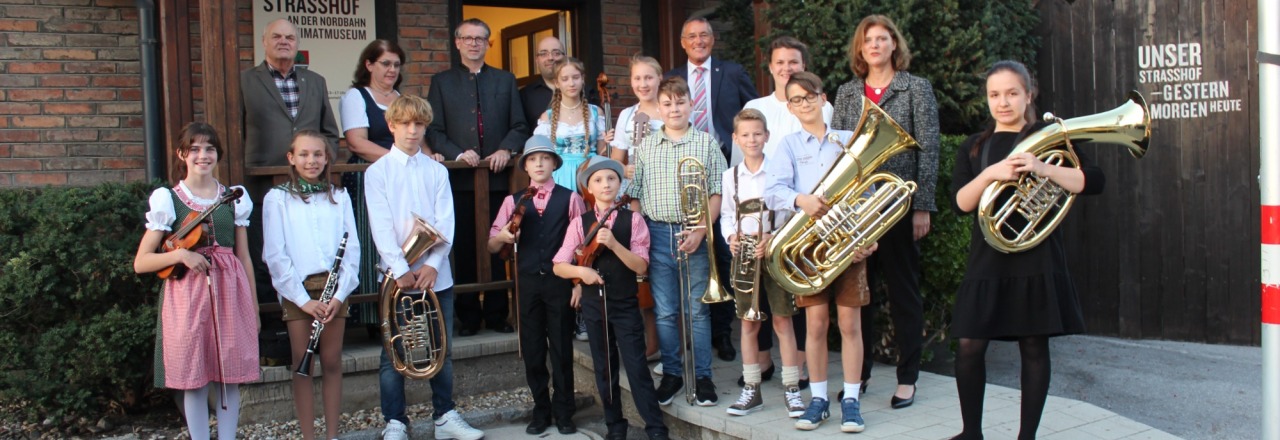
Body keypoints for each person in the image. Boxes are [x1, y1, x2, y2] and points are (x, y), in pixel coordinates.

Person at [948, 60, 1103, 440]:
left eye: (1012, 93)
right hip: (988, 257)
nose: (1003, 102)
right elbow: (960, 203)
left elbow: (1093, 181)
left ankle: (1026, 437)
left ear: (1028, 95)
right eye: (995, 95)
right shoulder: (974, 147)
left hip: (1037, 255)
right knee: (969, 346)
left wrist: (1042, 168)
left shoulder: (1050, 136)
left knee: (1033, 345)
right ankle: (972, 433)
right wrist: (990, 174)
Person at [831, 14, 941, 408]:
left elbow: (928, 148)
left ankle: (907, 377)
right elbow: (839, 150)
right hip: (858, 209)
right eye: (868, 40)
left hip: (897, 205)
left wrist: (922, 205)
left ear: (895, 44)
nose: (875, 45)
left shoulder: (916, 88)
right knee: (858, 294)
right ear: (860, 50)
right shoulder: (846, 93)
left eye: (882, 38)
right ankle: (856, 376)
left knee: (903, 293)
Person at [365, 95, 483, 440]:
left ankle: (444, 416)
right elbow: (381, 226)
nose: (413, 131)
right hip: (395, 275)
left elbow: (445, 221)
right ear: (392, 126)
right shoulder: (378, 172)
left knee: (440, 348)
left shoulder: (437, 170)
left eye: (419, 125)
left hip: (436, 275)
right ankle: (396, 422)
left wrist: (432, 264)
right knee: (394, 354)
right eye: (405, 124)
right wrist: (400, 268)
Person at [764, 71, 876, 433]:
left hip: (848, 243)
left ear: (822, 98)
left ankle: (852, 401)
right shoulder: (788, 146)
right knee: (815, 324)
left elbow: (869, 192)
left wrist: (867, 236)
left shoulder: (847, 141)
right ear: (790, 106)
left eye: (809, 96)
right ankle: (818, 399)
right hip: (809, 248)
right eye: (796, 99)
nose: (804, 103)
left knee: (849, 324)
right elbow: (772, 190)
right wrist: (802, 199)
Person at [133, 122, 259, 440]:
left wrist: (254, 306)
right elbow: (142, 262)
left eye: (210, 149)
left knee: (229, 374)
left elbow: (243, 257)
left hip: (230, 291)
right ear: (182, 154)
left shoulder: (233, 198)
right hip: (187, 295)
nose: (203, 155)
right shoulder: (168, 199)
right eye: (195, 149)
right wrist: (180, 256)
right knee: (195, 375)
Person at [626, 76, 728, 407]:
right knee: (666, 311)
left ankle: (702, 377)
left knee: (697, 311)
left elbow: (717, 192)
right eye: (667, 103)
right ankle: (672, 374)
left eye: (680, 102)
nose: (674, 108)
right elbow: (635, 195)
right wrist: (640, 236)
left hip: (694, 232)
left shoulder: (707, 143)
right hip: (657, 233)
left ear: (691, 105)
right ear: (658, 107)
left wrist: (701, 230)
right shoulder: (646, 147)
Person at [553, 156, 670, 440]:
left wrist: (615, 244)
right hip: (594, 305)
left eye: (611, 179)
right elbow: (559, 265)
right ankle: (615, 426)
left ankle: (655, 428)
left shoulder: (634, 219)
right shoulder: (580, 223)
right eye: (598, 180)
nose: (606, 184)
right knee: (604, 368)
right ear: (589, 188)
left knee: (637, 367)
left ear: (619, 183)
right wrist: (582, 272)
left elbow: (641, 266)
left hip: (625, 303)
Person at [740, 35, 833, 390]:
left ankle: (804, 364)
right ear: (770, 67)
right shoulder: (756, 103)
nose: (786, 68)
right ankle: (762, 359)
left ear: (803, 66)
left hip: (805, 214)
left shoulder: (820, 106)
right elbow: (743, 166)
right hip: (765, 210)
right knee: (759, 290)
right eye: (779, 62)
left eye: (793, 62)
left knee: (796, 291)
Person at [427, 18, 529, 337]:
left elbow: (519, 126)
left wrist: (505, 149)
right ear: (457, 42)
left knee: (499, 245)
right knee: (466, 247)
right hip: (460, 181)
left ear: (488, 44)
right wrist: (458, 153)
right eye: (467, 38)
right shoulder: (442, 82)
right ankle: (468, 315)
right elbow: (434, 129)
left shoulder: (505, 80)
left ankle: (498, 313)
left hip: (498, 181)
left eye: (480, 38)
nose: (474, 43)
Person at [665, 16, 759, 360]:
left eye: (704, 35)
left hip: (727, 167)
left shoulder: (732, 72)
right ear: (683, 41)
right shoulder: (672, 77)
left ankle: (722, 332)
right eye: (692, 36)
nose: (699, 40)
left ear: (712, 39)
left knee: (721, 250)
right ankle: (691, 330)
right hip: (686, 172)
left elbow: (755, 112)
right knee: (693, 250)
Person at [262, 130, 361, 440]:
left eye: (318, 154)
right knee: (302, 362)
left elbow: (353, 250)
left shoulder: (339, 196)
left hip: (334, 290)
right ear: (291, 158)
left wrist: (340, 293)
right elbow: (275, 255)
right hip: (298, 289)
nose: (311, 160)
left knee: (332, 361)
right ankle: (309, 436)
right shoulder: (277, 198)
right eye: (304, 154)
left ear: (327, 158)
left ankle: (332, 435)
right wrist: (303, 301)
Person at [488, 135, 585, 435]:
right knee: (532, 349)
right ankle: (540, 410)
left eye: (545, 158)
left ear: (555, 163)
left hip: (559, 282)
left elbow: (582, 246)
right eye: (533, 159)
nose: (539, 163)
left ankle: (565, 410)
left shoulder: (571, 198)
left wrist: (579, 283)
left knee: (561, 348)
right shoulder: (512, 201)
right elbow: (492, 244)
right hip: (528, 282)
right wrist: (502, 238)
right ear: (526, 166)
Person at [338, 39, 440, 326]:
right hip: (370, 173)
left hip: (406, 173)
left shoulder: (400, 98)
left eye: (396, 64)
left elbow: (417, 142)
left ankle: (415, 305)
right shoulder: (356, 97)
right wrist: (398, 161)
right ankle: (376, 317)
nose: (392, 69)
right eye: (385, 63)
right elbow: (357, 142)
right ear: (368, 65)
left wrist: (427, 159)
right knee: (378, 241)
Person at [241, 18, 342, 301]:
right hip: (263, 186)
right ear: (264, 41)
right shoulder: (246, 81)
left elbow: (330, 133)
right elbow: (236, 131)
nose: (283, 41)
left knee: (308, 254)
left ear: (297, 44)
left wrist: (319, 168)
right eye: (276, 36)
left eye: (289, 37)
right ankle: (274, 330)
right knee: (266, 256)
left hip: (310, 190)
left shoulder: (316, 81)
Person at [720, 109, 804, 418]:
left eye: (757, 133)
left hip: (776, 251)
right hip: (744, 254)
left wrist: (776, 236)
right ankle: (751, 389)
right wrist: (731, 236)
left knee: (783, 321)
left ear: (767, 136)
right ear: (736, 139)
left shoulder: (779, 171)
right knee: (748, 323)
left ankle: (792, 390)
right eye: (746, 134)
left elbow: (792, 211)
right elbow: (728, 213)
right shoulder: (731, 177)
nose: (752, 139)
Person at [613, 54, 666, 362]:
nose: (643, 84)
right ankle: (646, 341)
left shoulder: (669, 108)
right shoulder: (627, 115)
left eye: (648, 77)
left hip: (663, 197)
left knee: (662, 271)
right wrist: (625, 169)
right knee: (638, 270)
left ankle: (669, 340)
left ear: (659, 78)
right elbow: (618, 159)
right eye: (637, 78)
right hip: (635, 199)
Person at [533, 57, 621, 192]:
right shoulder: (547, 117)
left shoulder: (596, 112)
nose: (571, 83)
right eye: (565, 79)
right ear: (557, 83)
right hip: (560, 176)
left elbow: (602, 153)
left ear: (583, 79)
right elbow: (543, 158)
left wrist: (609, 143)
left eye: (575, 77)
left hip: (591, 173)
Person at [519, 36, 602, 129]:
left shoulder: (587, 91)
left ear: (565, 57)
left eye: (556, 53)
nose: (550, 57)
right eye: (543, 54)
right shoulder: (525, 95)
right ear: (536, 60)